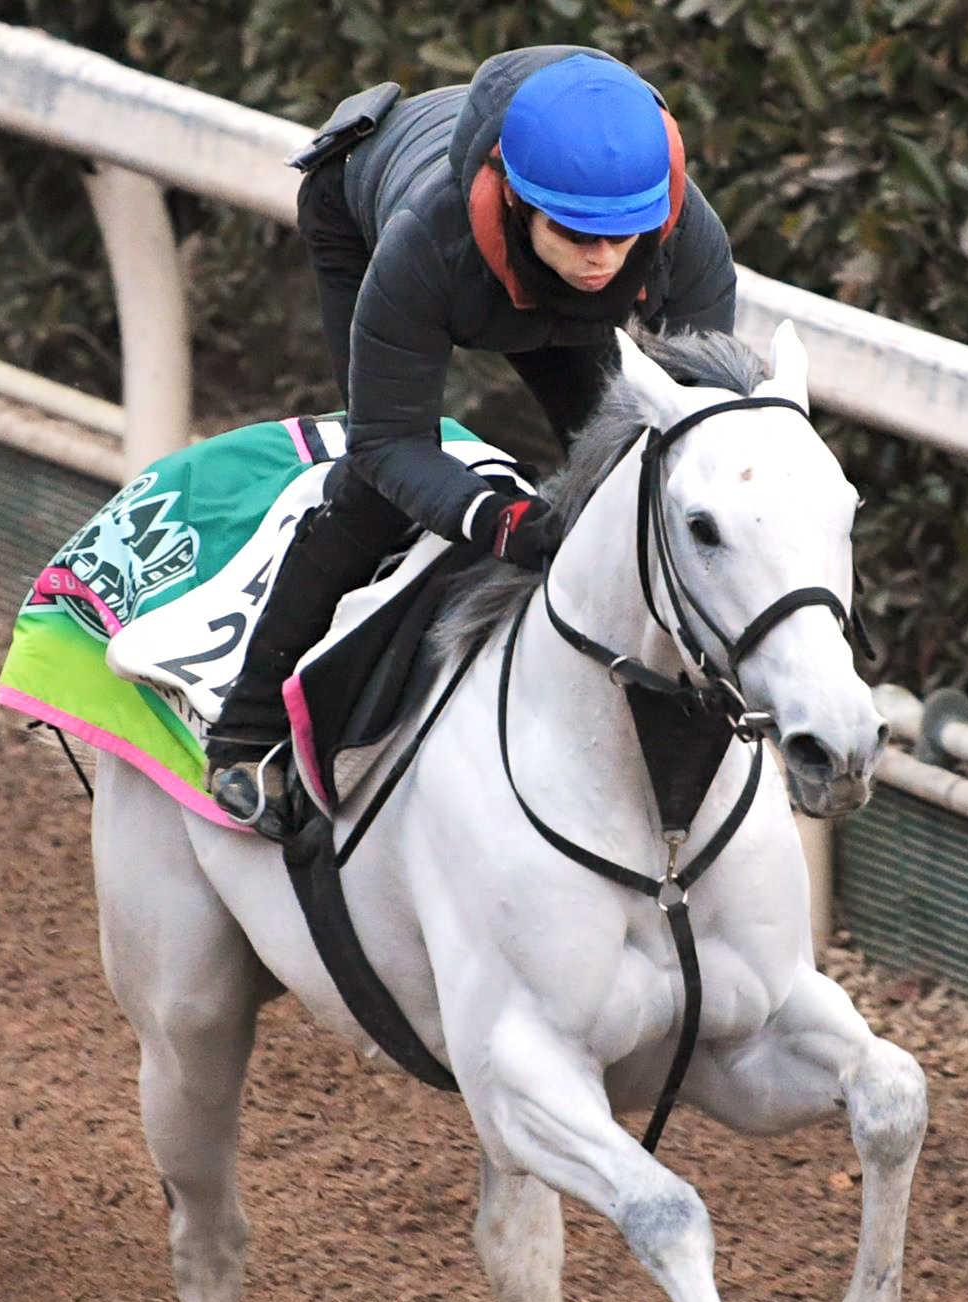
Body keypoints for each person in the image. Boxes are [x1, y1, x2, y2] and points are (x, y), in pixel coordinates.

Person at [208, 45, 737, 835]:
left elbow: (697, 452)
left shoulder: (687, 235)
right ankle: (244, 734)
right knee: (375, 499)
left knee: (639, 486)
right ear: (520, 204)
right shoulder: (429, 241)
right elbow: (390, 445)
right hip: (365, 211)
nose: (600, 260)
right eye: (576, 231)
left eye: (623, 234)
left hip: (515, 266)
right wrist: (496, 520)